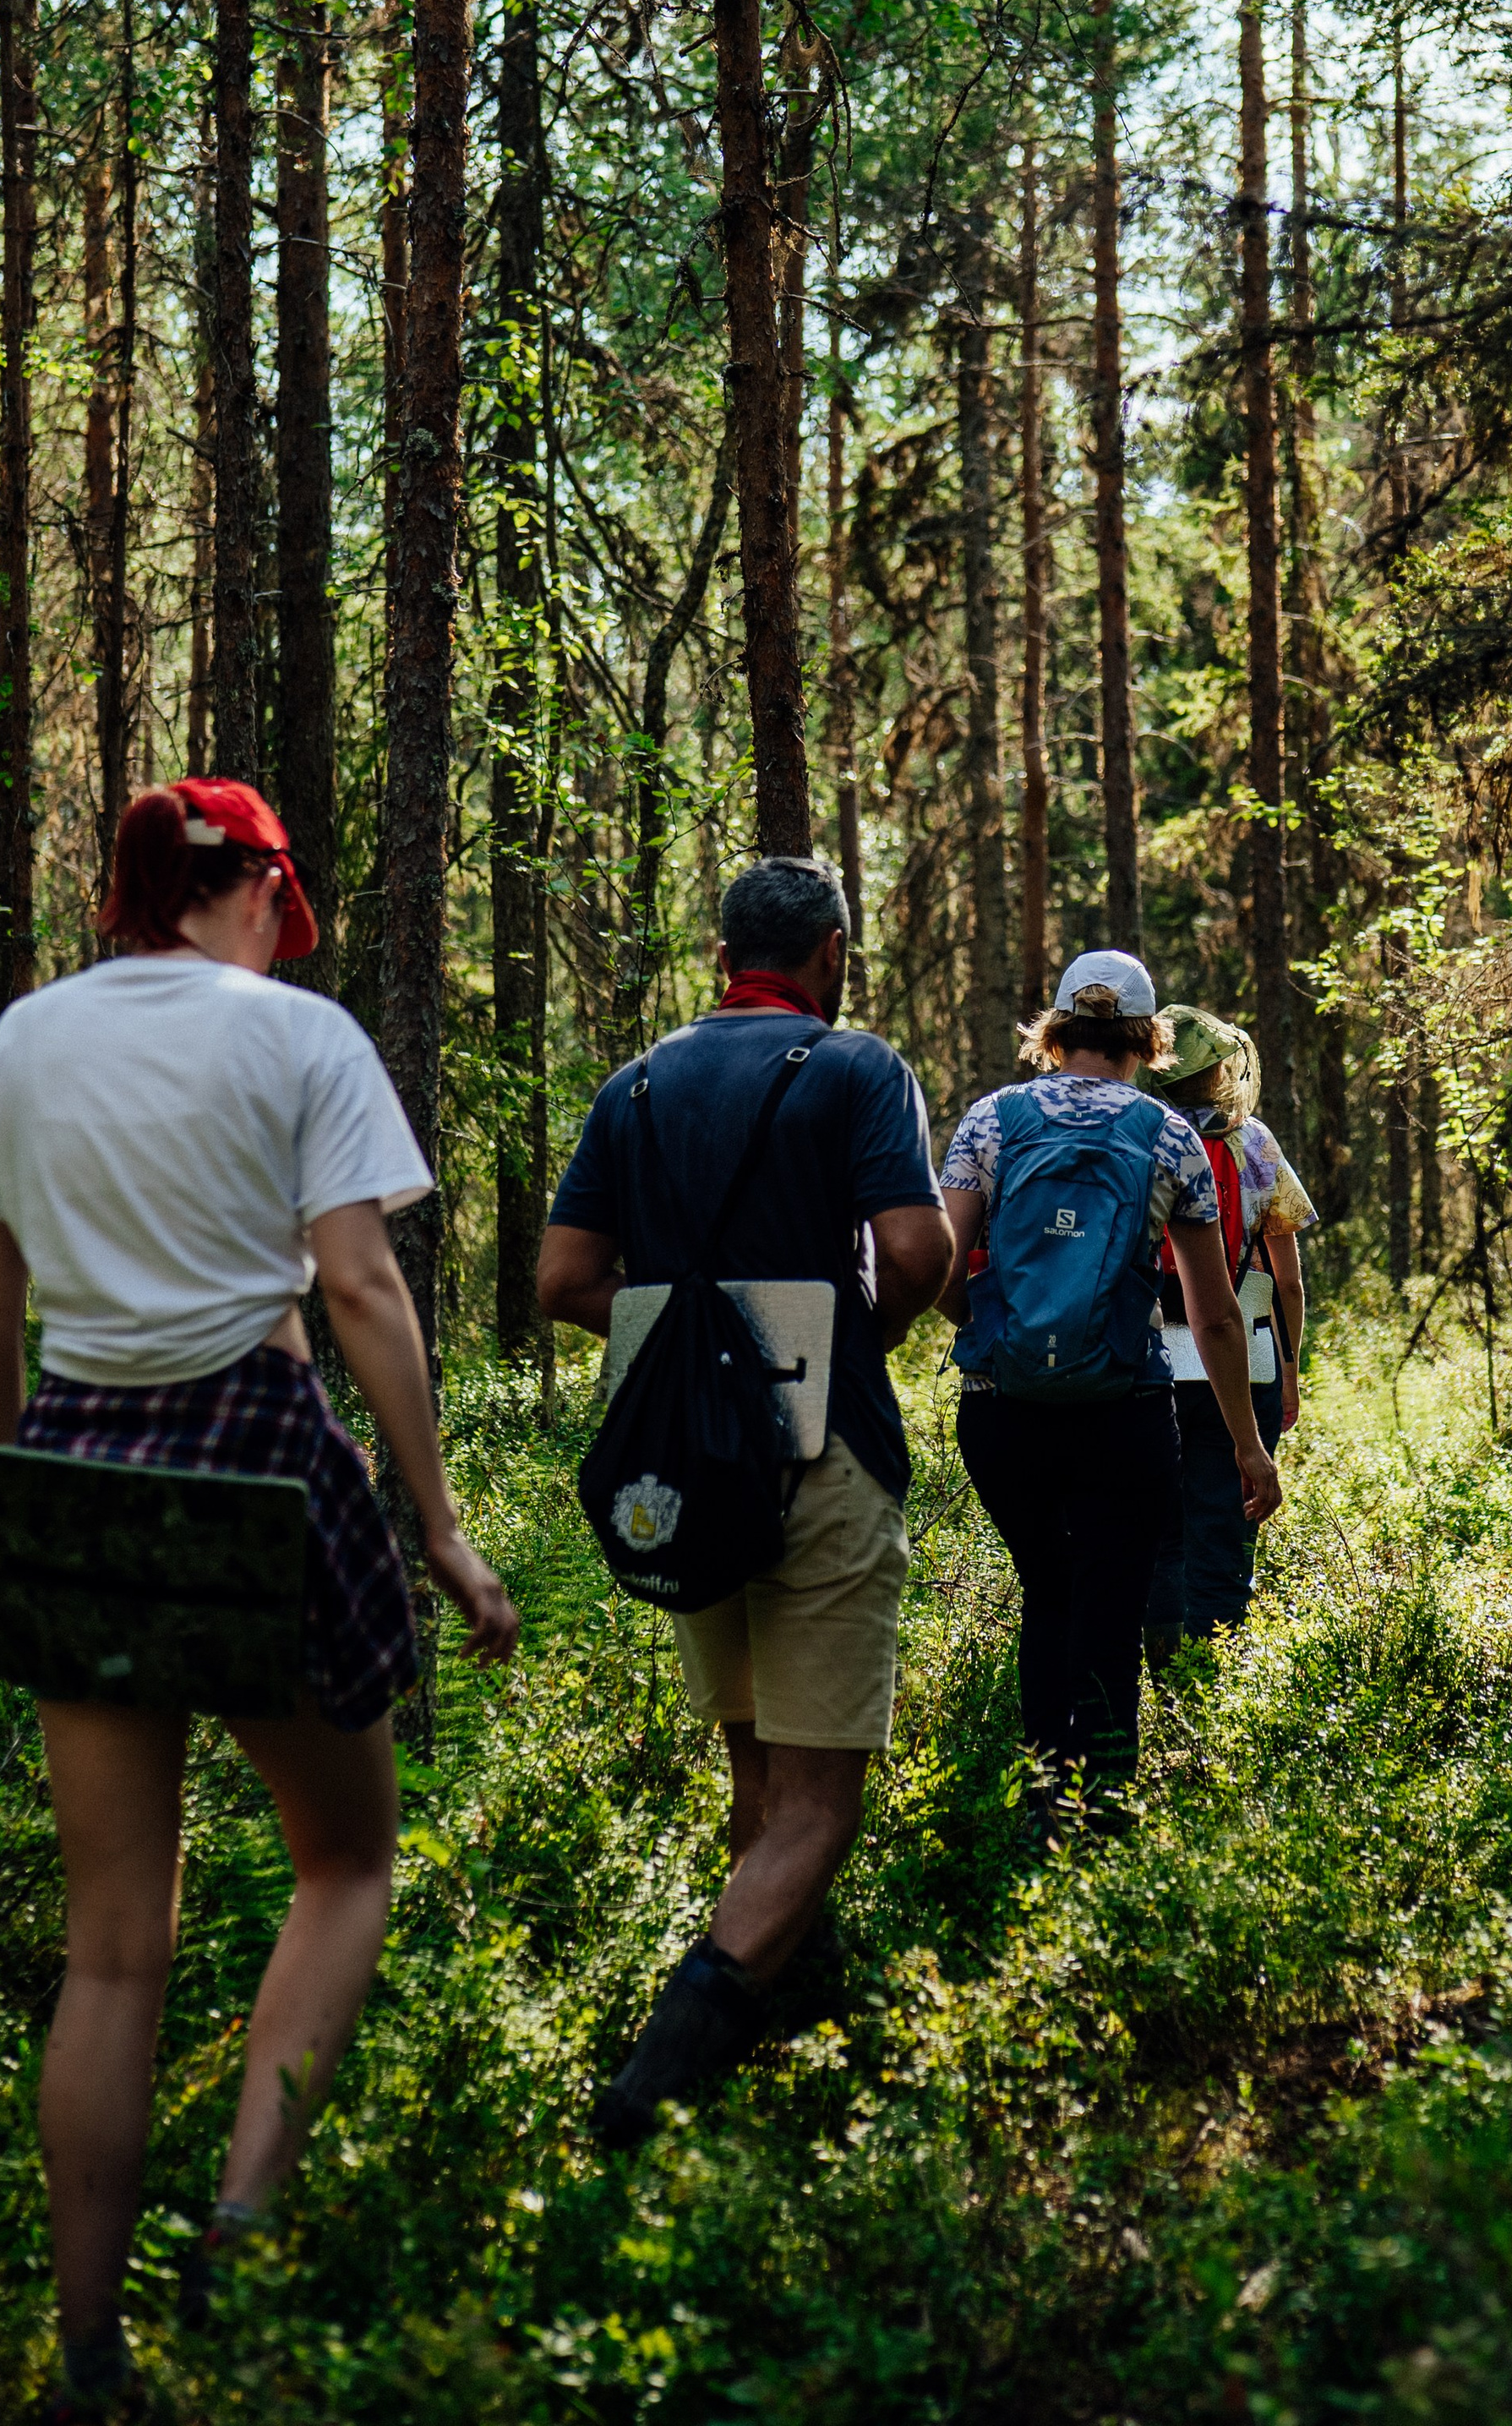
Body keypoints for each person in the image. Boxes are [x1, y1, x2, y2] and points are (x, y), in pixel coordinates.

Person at [0, 779, 518, 2421]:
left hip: (79, 1468)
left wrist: (25, 1491)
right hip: (257, 1467)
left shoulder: (26, 1041)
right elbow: (354, 1281)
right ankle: (244, 2224)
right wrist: (442, 1532)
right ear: (255, 884)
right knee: (345, 1857)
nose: (287, 922)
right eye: (283, 893)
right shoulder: (297, 1036)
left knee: (112, 1951)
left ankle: (84, 2360)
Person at [538, 853, 952, 2147]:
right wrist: (832, 1341)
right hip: (820, 1450)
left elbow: (561, 1279)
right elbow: (921, 1251)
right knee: (820, 1807)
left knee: (759, 1772)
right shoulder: (857, 1069)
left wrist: (683, 1344)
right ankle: (654, 2084)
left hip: (686, 1470)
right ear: (830, 951)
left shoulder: (635, 1083)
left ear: (725, 954)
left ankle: (781, 2034)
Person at [937, 952, 1282, 1828]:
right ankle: (1109, 1794)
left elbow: (941, 1267)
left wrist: (987, 1329)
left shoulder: (991, 1120)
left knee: (1047, 1586)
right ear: (1147, 1038)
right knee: (1113, 1594)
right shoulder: (1170, 1137)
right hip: (1124, 1410)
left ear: (1053, 1031)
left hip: (1000, 1407)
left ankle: (1043, 1790)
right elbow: (1211, 1319)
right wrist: (1248, 1443)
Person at [1142, 1005, 1318, 1657]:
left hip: (1152, 1353)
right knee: (1231, 1514)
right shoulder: (1256, 1144)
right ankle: (1215, 1664)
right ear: (1220, 1071)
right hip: (1245, 1355)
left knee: (1163, 1526)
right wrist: (1292, 1369)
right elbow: (1288, 1280)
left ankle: (1161, 1664)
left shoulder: (1138, 1138)